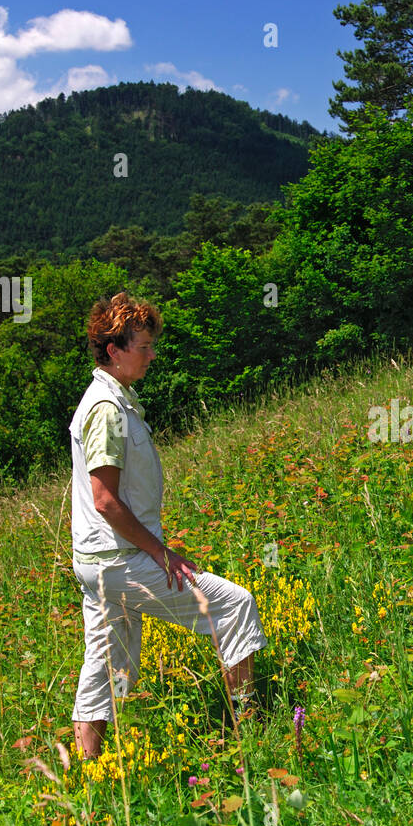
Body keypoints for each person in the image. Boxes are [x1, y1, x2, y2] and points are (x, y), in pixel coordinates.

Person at [68, 292, 267, 760]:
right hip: (120, 561)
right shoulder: (106, 410)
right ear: (114, 350)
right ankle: (251, 733)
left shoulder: (113, 400)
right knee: (235, 605)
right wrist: (162, 553)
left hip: (100, 561)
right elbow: (105, 500)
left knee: (107, 665)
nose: (153, 354)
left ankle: (87, 774)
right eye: (143, 346)